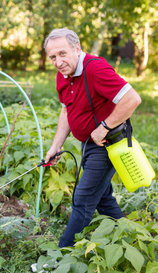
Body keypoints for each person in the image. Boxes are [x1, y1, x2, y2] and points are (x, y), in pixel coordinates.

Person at [43, 28, 142, 247]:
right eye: (52, 57)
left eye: (62, 54)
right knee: (104, 200)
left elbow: (132, 99)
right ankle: (132, 243)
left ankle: (62, 257)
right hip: (88, 144)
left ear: (76, 48)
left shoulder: (95, 69)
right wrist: (55, 146)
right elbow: (66, 111)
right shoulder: (64, 75)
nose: (58, 62)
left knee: (83, 199)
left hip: (106, 145)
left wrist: (104, 126)